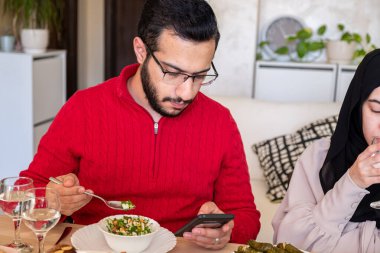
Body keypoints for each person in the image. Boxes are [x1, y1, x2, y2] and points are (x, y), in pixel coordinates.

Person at [20, 0, 260, 248]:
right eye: (172, 72)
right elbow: (29, 191)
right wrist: (51, 199)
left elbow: (246, 216)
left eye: (199, 76)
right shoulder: (83, 108)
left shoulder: (220, 122)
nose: (187, 92)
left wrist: (227, 231)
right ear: (141, 50)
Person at [272, 49, 380, 253]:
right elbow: (288, 244)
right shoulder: (319, 158)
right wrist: (352, 183)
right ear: (357, 108)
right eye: (377, 110)